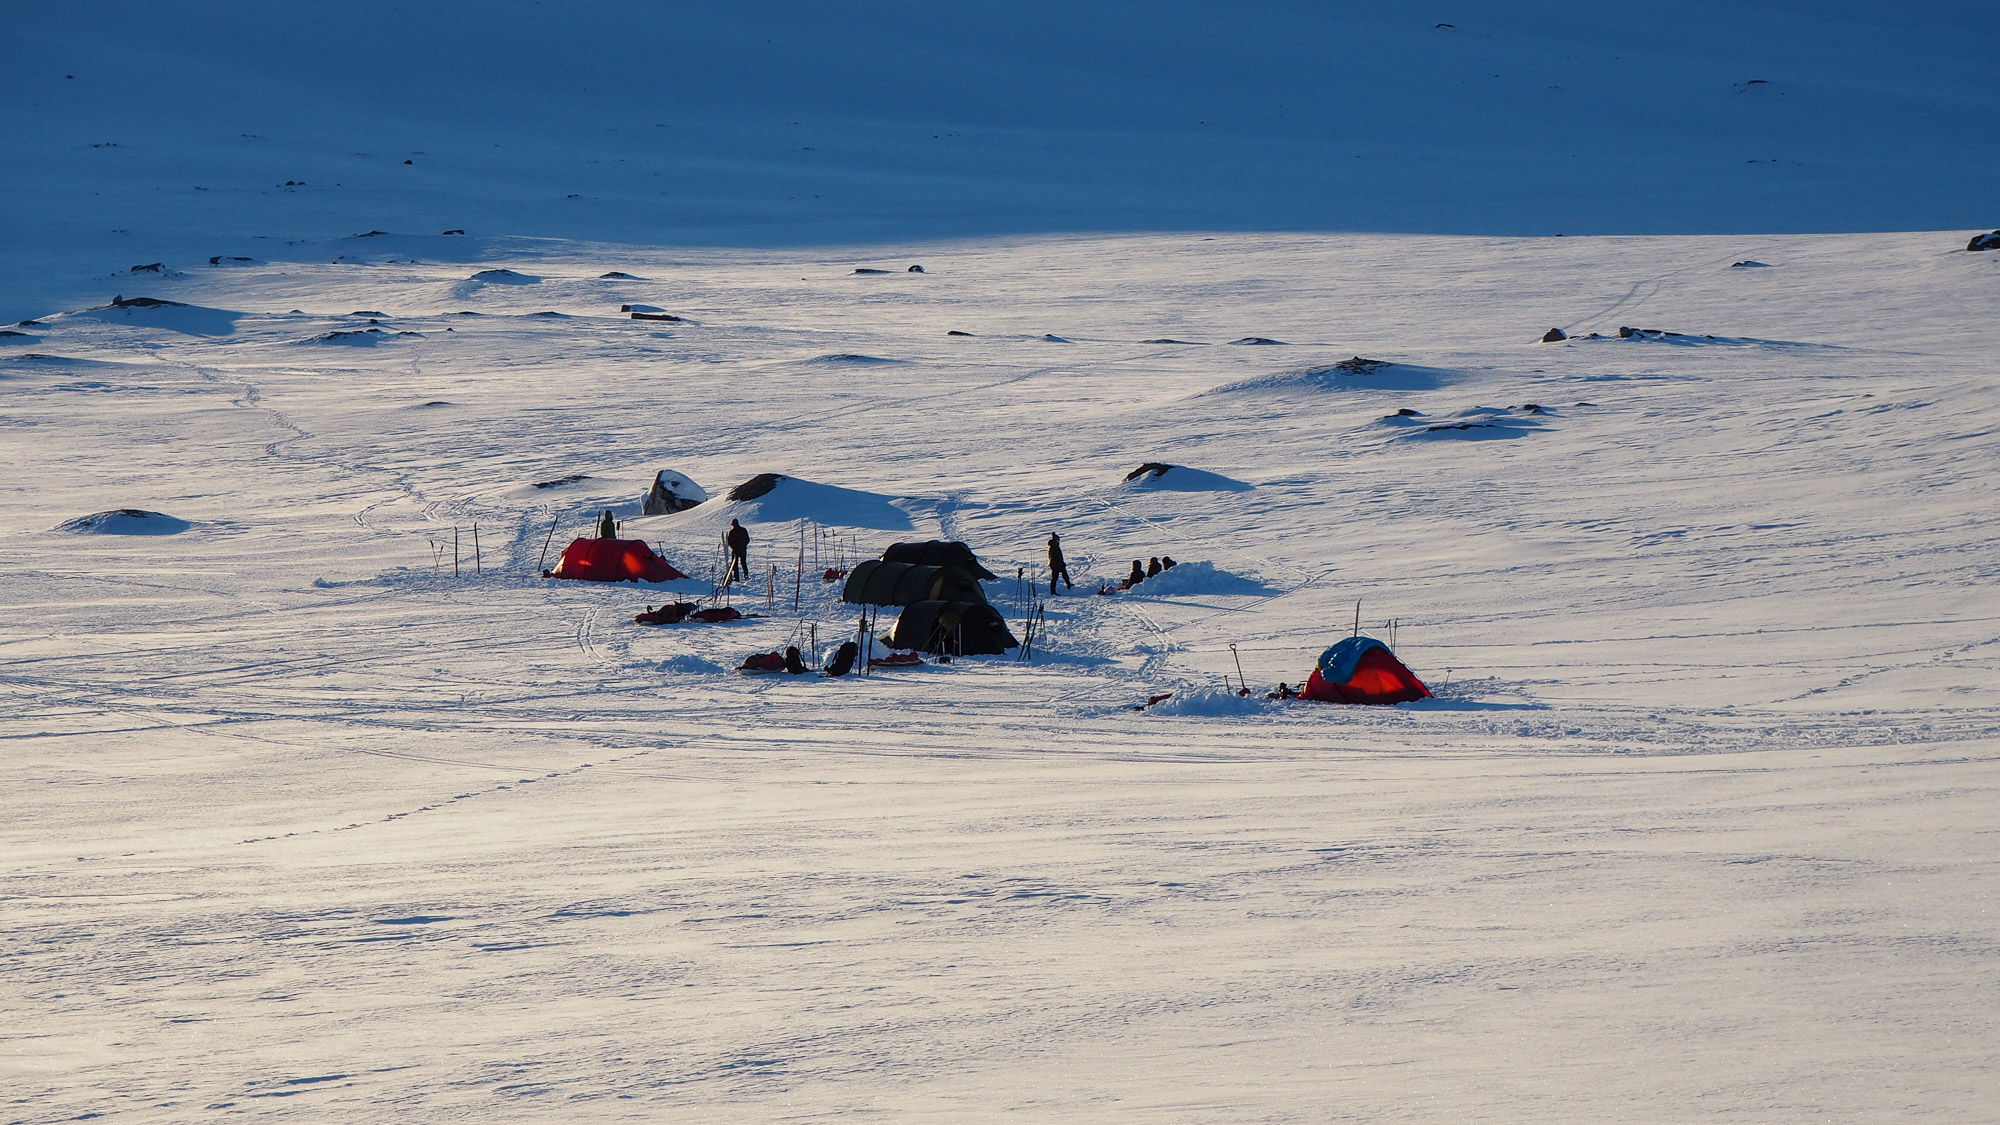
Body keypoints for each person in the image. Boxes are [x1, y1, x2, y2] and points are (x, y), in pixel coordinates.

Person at [724, 518, 750, 583]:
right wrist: (744, 546)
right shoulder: (743, 530)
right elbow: (747, 540)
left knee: (734, 564)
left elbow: (729, 542)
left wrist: (733, 547)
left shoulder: (732, 532)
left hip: (735, 550)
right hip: (743, 550)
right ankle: (746, 575)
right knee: (743, 562)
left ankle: (736, 578)